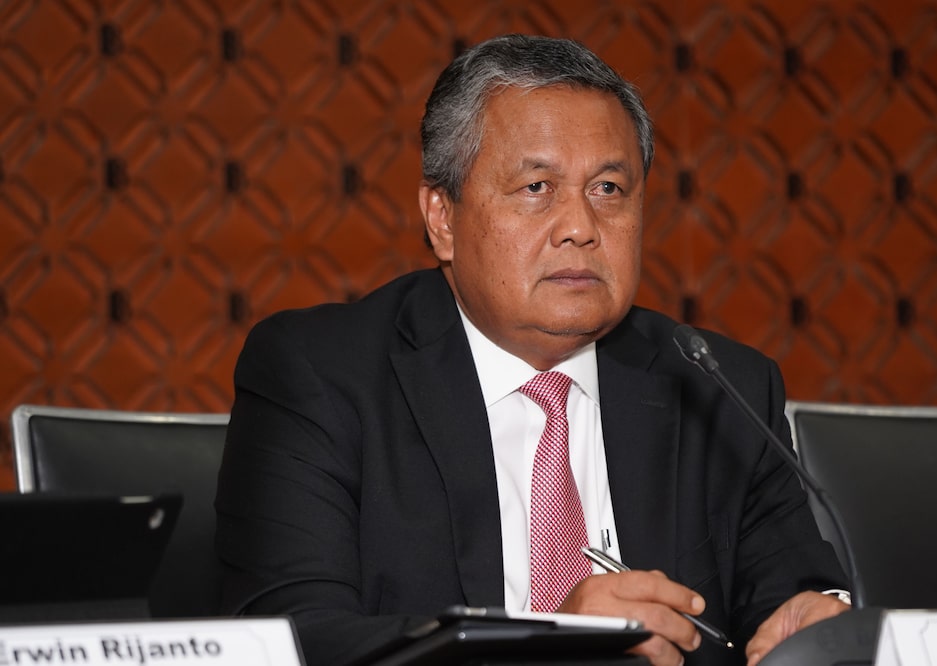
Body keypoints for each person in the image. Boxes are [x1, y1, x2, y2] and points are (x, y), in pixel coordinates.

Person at [215, 34, 850, 666]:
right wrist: (549, 647)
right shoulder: (320, 375)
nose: (580, 226)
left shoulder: (719, 386)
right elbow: (292, 640)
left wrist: (816, 620)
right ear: (442, 218)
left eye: (608, 189)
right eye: (537, 187)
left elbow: (789, 592)